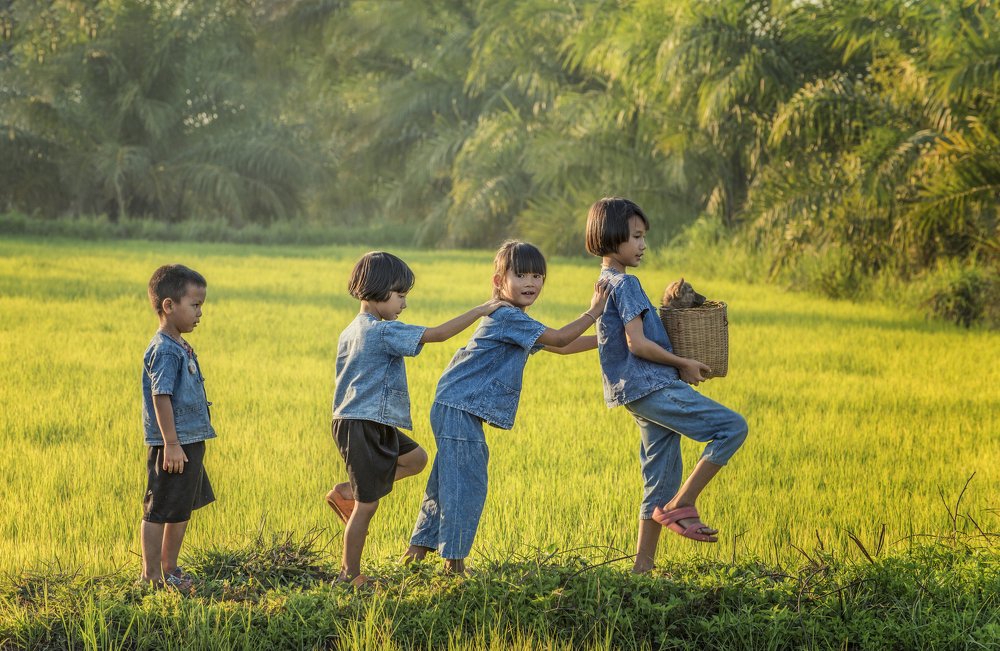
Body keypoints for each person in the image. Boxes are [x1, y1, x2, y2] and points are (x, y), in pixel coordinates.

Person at [403, 240, 611, 575]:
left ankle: (414, 556)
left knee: (448, 481)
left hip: (455, 405)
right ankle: (453, 565)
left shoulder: (515, 319)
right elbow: (558, 338)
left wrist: (611, 342)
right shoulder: (507, 316)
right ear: (499, 281)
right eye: (521, 275)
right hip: (458, 406)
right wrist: (595, 311)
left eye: (537, 275)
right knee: (467, 483)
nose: (531, 282)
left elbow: (561, 348)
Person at [585, 197, 748, 573]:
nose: (643, 245)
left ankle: (641, 571)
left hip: (635, 394)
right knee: (732, 427)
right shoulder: (626, 283)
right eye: (636, 237)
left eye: (644, 237)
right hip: (653, 386)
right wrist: (684, 364)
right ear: (611, 237)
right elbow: (636, 343)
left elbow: (606, 339)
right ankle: (682, 504)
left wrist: (557, 343)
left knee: (658, 478)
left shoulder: (603, 283)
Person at [328, 251, 508, 587]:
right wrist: (482, 309)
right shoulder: (381, 331)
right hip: (362, 423)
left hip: (366, 421)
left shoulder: (350, 330)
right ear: (377, 291)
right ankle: (348, 574)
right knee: (367, 507)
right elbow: (437, 334)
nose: (404, 304)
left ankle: (349, 491)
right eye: (400, 295)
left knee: (417, 459)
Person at [140, 264, 216, 591]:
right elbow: (161, 396)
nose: (200, 312)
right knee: (159, 508)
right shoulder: (164, 349)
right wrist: (171, 443)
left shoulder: (180, 343)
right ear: (169, 306)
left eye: (202, 305)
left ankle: (169, 568)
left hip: (190, 440)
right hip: (174, 444)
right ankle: (151, 575)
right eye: (195, 305)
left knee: (181, 508)